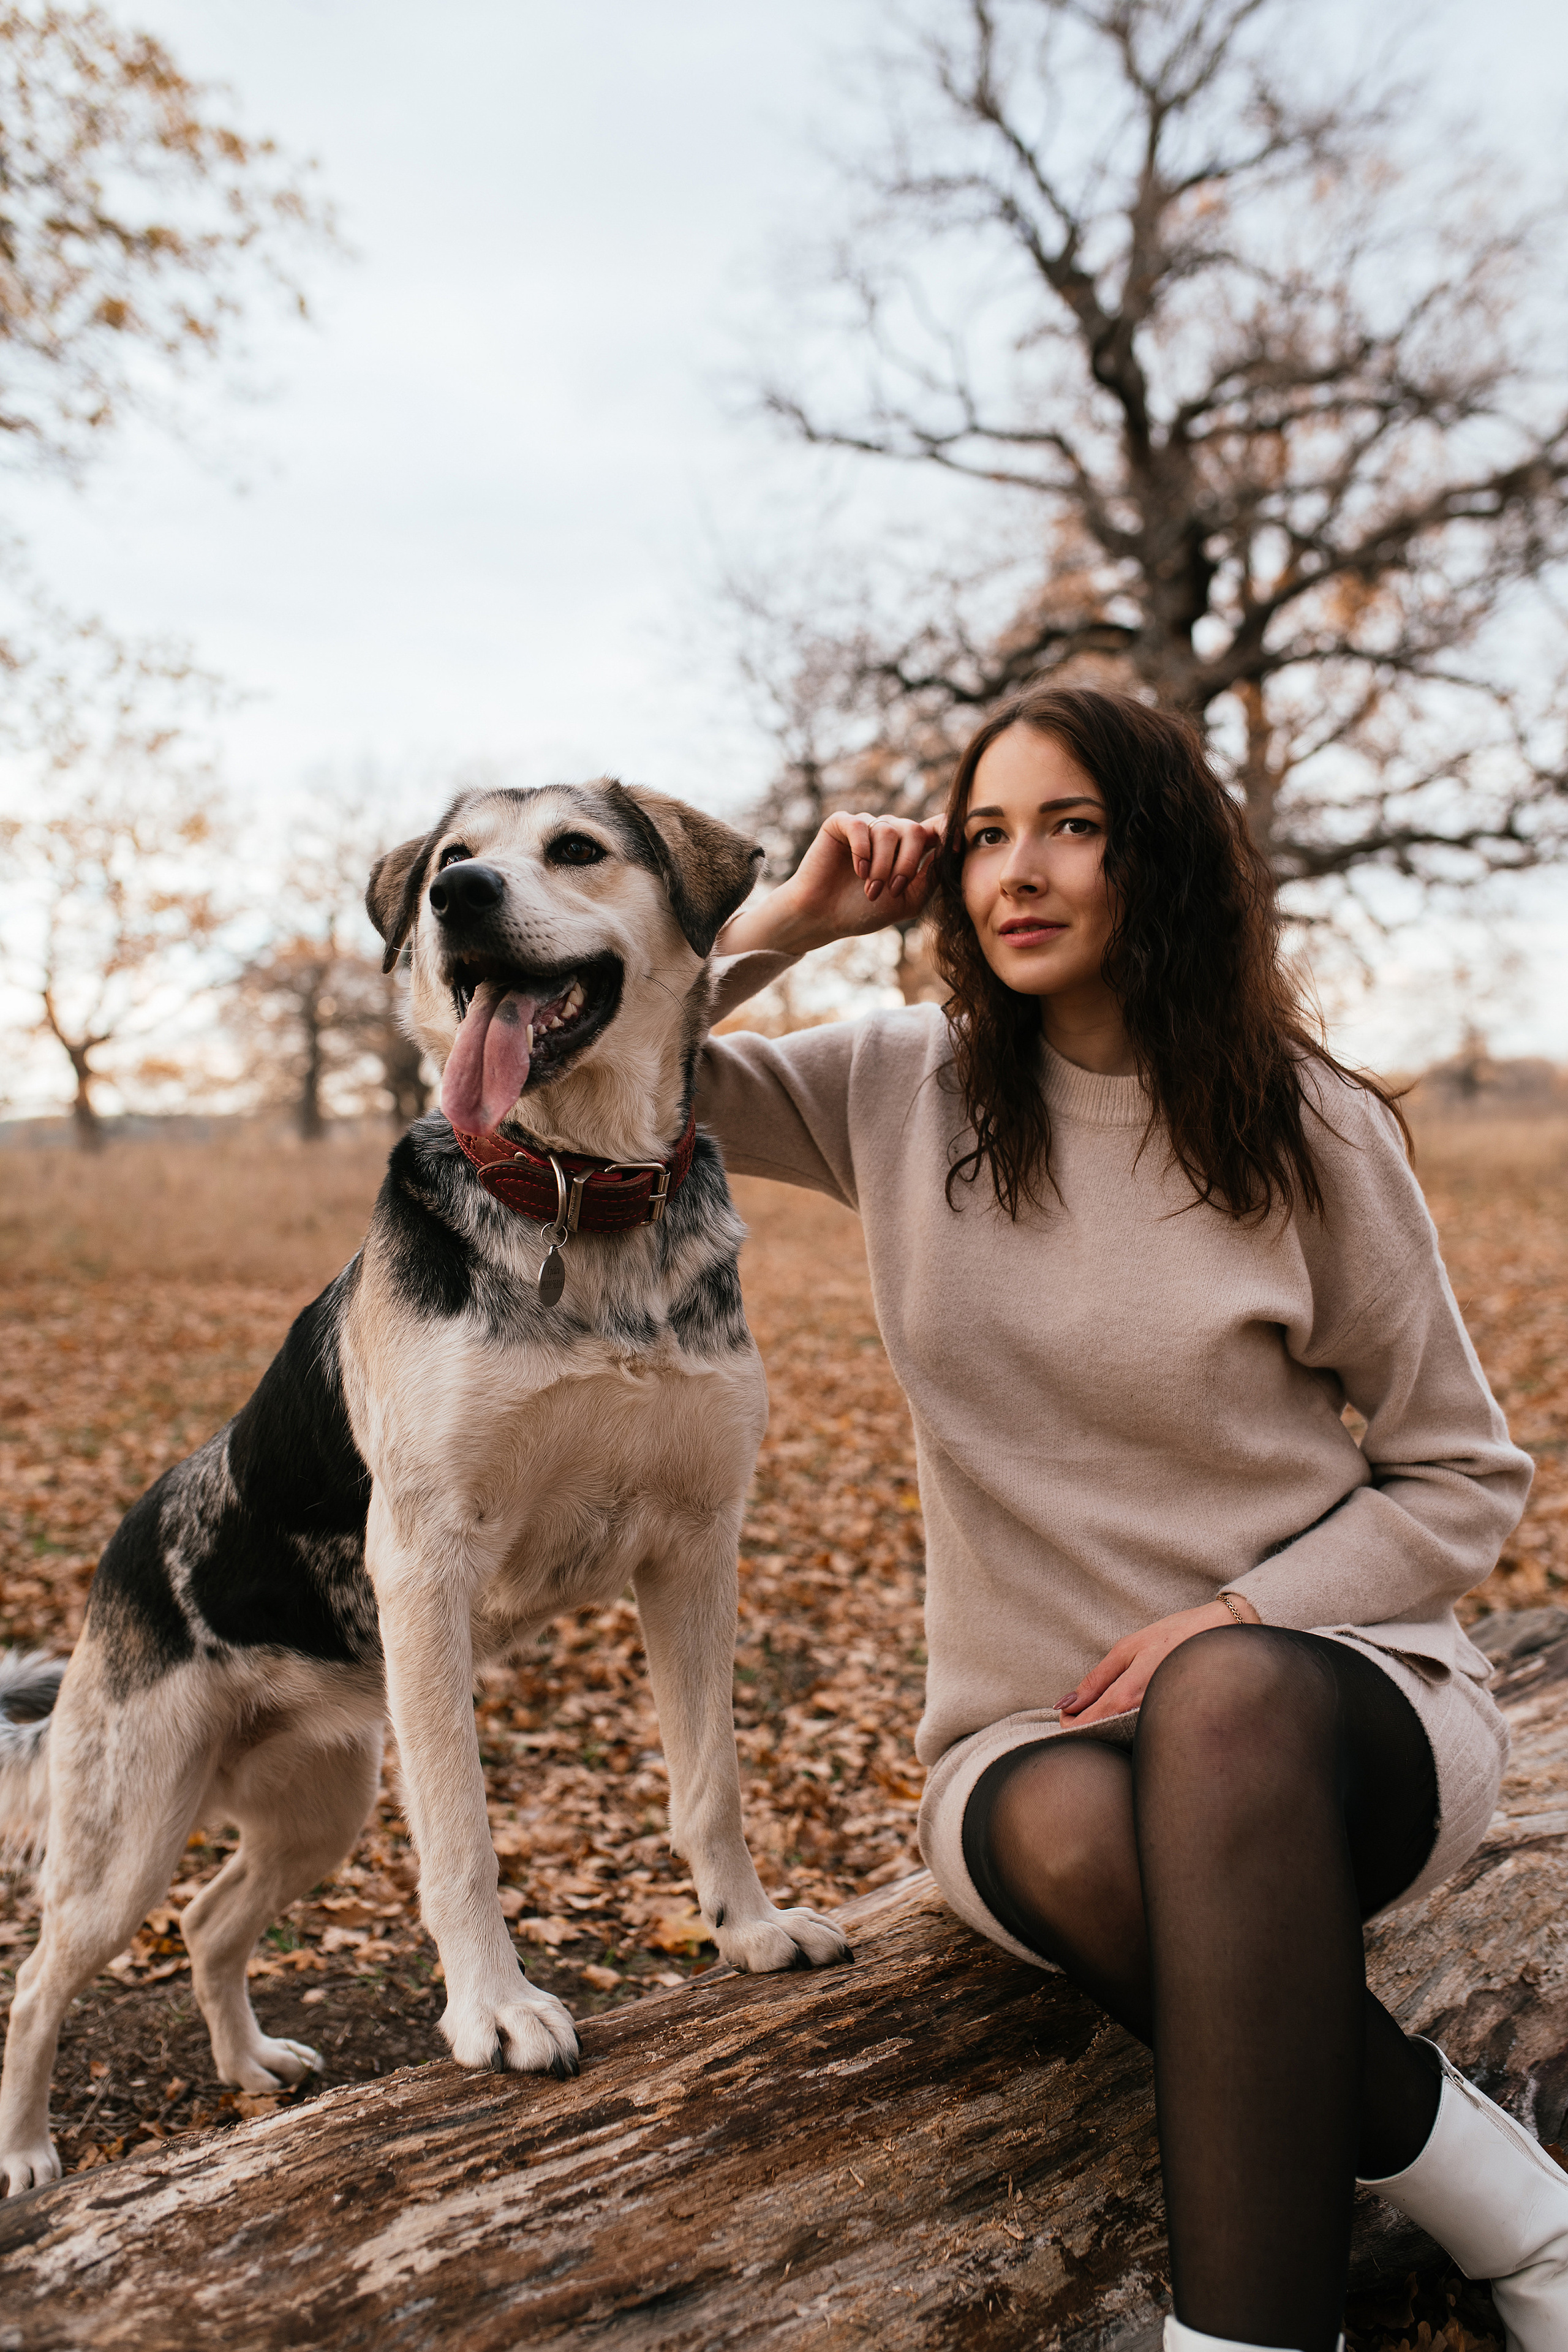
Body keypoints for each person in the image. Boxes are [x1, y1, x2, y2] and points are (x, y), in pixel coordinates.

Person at [697, 686, 1561, 2352]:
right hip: (1034, 1737)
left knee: (1221, 1702)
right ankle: (1512, 2207)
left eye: (1072, 827)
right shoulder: (900, 1085)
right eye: (986, 835)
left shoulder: (1311, 1126)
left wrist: (1234, 1620)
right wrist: (786, 924)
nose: (1017, 872)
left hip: (1333, 1701)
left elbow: (1462, 1474)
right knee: (1101, 1829)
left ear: (1158, 856)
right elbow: (559, 1093)